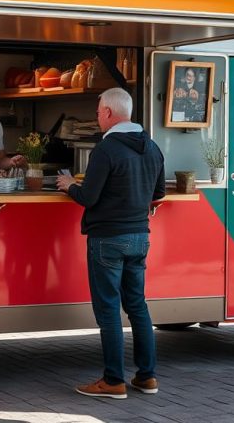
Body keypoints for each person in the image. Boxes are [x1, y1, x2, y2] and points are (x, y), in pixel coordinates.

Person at [56, 88, 165, 399]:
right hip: (140, 236)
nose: (97, 116)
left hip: (108, 239)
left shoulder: (106, 150)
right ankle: (147, 377)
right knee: (138, 307)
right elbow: (159, 193)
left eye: (98, 111)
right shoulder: (152, 146)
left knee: (108, 311)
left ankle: (113, 381)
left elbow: (89, 197)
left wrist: (70, 186)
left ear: (107, 113)